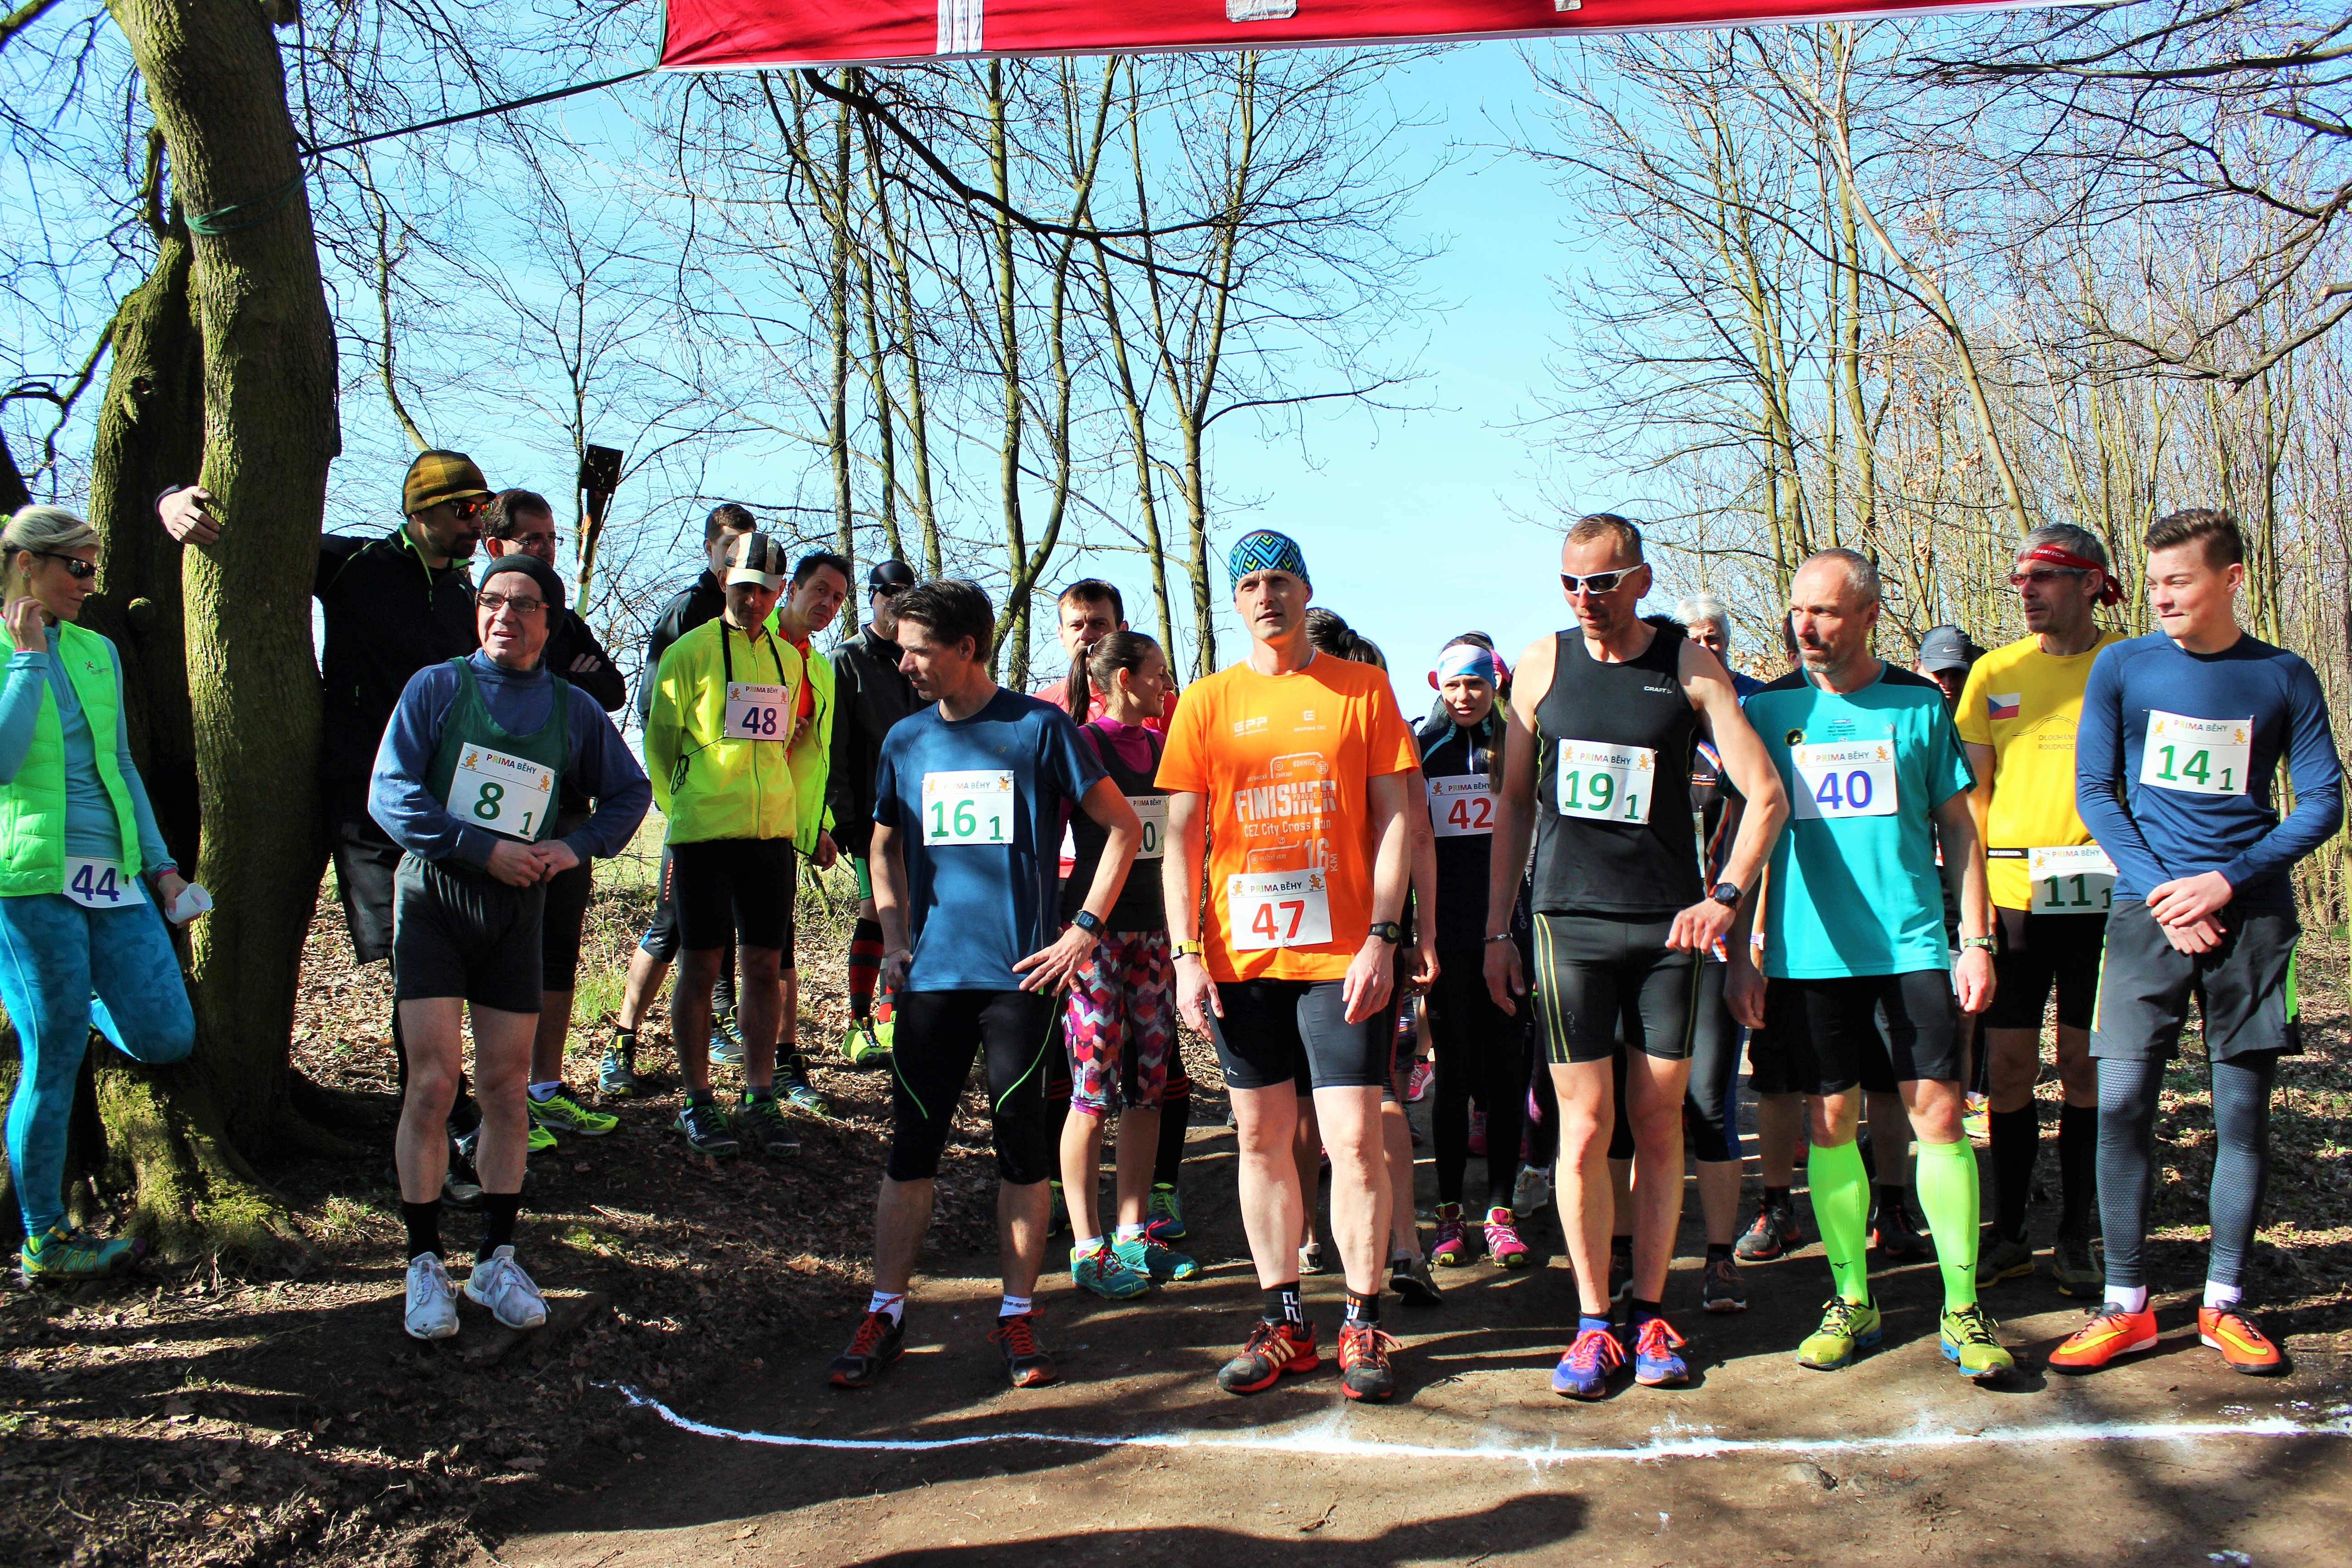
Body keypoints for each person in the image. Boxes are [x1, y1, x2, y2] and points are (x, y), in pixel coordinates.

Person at [1487, 515, 1788, 1400]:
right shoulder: (1539, 665)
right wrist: (1498, 930)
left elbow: (1766, 795)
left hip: (1666, 931)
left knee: (1659, 1124)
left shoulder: (1688, 666)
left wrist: (1723, 896)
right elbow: (1513, 804)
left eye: (1602, 582)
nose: (1585, 599)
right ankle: (1592, 1322)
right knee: (1584, 1127)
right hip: (1566, 924)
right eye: (1570, 583)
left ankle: (1651, 1312)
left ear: (1641, 580)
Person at [827, 578, 1140, 1391]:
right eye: (900, 650)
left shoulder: (1038, 728)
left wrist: (1083, 929)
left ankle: (1016, 1314)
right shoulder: (905, 739)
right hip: (931, 980)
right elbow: (882, 845)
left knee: (1020, 1148)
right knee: (911, 1148)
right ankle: (885, 1310)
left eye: (917, 650)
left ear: (967, 648)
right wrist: (895, 936)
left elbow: (1123, 827)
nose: (903, 663)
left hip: (1020, 981)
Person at [2053, 509, 2341, 1377]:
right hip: (2144, 915)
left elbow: (2322, 802)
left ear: (2230, 578)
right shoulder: (2121, 666)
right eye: (2152, 582)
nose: (2160, 596)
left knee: (2240, 1117)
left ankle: (2223, 1301)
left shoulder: (2282, 676)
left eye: (2177, 580)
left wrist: (2223, 882)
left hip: (2248, 920)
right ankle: (2124, 1305)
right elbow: (2095, 792)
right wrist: (2163, 893)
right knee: (2119, 1104)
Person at [164, 451, 490, 1205]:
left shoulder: (464, 594)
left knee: (446, 965)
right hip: (366, 801)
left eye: (482, 508)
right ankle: (433, 1135)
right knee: (414, 963)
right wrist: (172, 499)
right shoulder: (354, 565)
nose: (477, 522)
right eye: (465, 508)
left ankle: (448, 1118)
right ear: (422, 511)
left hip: (445, 808)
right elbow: (249, 535)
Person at [1729, 548, 2013, 1382]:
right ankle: (1850, 1298)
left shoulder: (1918, 704)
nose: (1806, 626)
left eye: (1824, 611)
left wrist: (1975, 940)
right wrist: (1742, 952)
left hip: (1911, 946)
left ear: (1867, 616)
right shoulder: (1768, 710)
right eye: (1797, 610)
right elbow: (1746, 836)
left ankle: (1962, 1307)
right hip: (1807, 954)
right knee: (1827, 1123)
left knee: (1940, 1116)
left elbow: (1959, 828)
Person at [1158, 530, 1419, 1404]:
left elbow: (1395, 820)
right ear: (1235, 602)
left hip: (1342, 956)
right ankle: (1282, 1322)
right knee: (1260, 1139)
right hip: (1239, 959)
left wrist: (1383, 934)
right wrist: (1185, 955)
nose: (1265, 596)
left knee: (1352, 1141)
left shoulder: (1361, 689)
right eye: (1249, 585)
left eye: (1279, 580)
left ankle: (1360, 1319)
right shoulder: (1205, 702)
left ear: (1305, 591)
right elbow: (1180, 841)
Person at [369, 550, 648, 1339]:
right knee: (433, 1083)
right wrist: (477, 847)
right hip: (435, 901)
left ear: (549, 623)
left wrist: (573, 847)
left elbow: (630, 792)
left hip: (517, 914)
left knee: (504, 1086)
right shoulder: (437, 688)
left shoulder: (573, 710)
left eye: (524, 604)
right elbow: (391, 793)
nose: (505, 615)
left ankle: (496, 1259)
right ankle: (424, 1262)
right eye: (493, 600)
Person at [0, 506, 199, 1279]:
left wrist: (161, 866)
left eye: (94, 568)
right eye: (76, 568)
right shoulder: (8, 647)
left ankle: (79, 994)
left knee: (166, 1035)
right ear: (27, 564)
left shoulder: (96, 650)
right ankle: (45, 1239)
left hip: (112, 877)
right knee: (50, 1056)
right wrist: (26, 660)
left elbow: (118, 763)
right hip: (29, 882)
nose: (90, 583)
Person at [1958, 526, 2126, 1298]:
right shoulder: (1993, 673)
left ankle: (2077, 1237)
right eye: (2019, 579)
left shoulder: (2129, 664)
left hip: (2104, 899)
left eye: (2045, 577)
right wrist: (1976, 917)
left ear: (2091, 583)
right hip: (2014, 900)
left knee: (2086, 1067)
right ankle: (2010, 1233)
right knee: (2007, 1069)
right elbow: (1973, 800)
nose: (2026, 591)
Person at [644, 532, 817, 1160]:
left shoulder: (790, 659)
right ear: (724, 582)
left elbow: (787, 741)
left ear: (780, 593)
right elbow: (661, 742)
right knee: (700, 965)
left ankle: (759, 1094)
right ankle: (696, 1099)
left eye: (766, 591)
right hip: (704, 835)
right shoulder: (687, 652)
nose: (754, 600)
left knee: (765, 967)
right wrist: (684, 803)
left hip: (769, 836)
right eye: (744, 587)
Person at [480, 491, 628, 1152]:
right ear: (496, 546)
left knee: (557, 956)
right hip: (485, 832)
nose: (544, 548)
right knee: (488, 961)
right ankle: (492, 1100)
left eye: (551, 538)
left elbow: (610, 688)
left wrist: (565, 676)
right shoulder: (485, 612)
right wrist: (566, 677)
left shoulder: (563, 618)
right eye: (531, 538)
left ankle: (544, 1088)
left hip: (563, 820)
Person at [1054, 631, 1199, 1298]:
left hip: (1156, 937)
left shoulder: (1166, 748)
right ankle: (1088, 1246)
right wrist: (1061, 928)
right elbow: (1048, 834)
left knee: (1149, 1087)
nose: (1166, 684)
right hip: (1094, 941)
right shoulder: (1083, 744)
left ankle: (1134, 1234)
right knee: (1092, 1092)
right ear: (1122, 679)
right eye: (1157, 673)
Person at [604, 504, 758, 1097]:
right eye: (728, 546)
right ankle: (622, 1039)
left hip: (744, 813)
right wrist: (677, 797)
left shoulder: (759, 626)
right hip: (694, 809)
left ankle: (717, 1024)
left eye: (746, 546)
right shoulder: (686, 614)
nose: (737, 557)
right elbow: (653, 713)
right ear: (709, 551)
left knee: (726, 927)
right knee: (670, 927)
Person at [1417, 637, 1534, 1276]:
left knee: (1507, 1074)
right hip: (1449, 935)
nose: (1465, 697)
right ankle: (1449, 1212)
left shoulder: (1517, 746)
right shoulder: (1424, 747)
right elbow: (1412, 844)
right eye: (1454, 685)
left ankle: (1500, 1211)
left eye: (1477, 685)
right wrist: (1418, 931)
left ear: (1497, 685)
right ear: (1438, 685)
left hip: (1508, 934)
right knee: (1454, 1077)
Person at [767, 551, 852, 1115]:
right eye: (820, 590)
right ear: (791, 589)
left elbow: (817, 758)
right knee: (681, 943)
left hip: (780, 826)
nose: (828, 604)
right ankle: (627, 1045)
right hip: (718, 820)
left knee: (779, 949)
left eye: (838, 598)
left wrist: (819, 825)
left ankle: (784, 1061)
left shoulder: (819, 668)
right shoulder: (750, 643)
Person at [831, 560, 921, 1068]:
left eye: (906, 595)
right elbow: (835, 744)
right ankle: (858, 1022)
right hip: (869, 813)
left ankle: (892, 1015)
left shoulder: (918, 658)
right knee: (877, 910)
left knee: (908, 912)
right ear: (871, 597)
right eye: (888, 594)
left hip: (924, 814)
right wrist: (843, 816)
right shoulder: (847, 659)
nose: (895, 603)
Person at [1677, 593, 1765, 698]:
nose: (1705, 647)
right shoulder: (1673, 696)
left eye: (1712, 639)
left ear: (1726, 640)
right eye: (1695, 641)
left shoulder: (1758, 695)